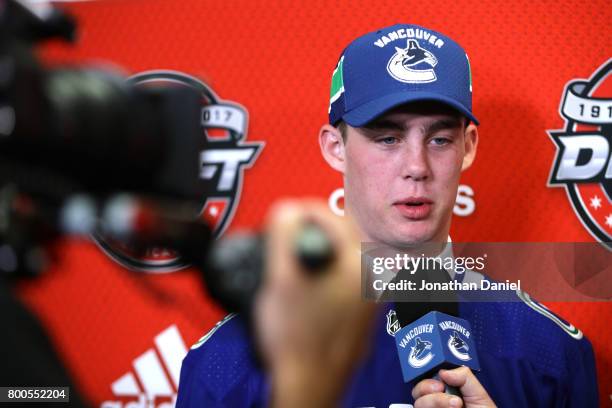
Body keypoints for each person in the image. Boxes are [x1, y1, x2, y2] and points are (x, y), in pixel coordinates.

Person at [176, 24, 599, 407]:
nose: (416, 165)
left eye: (440, 138)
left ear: (468, 147)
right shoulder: (227, 362)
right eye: (388, 137)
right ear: (334, 147)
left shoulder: (547, 352)